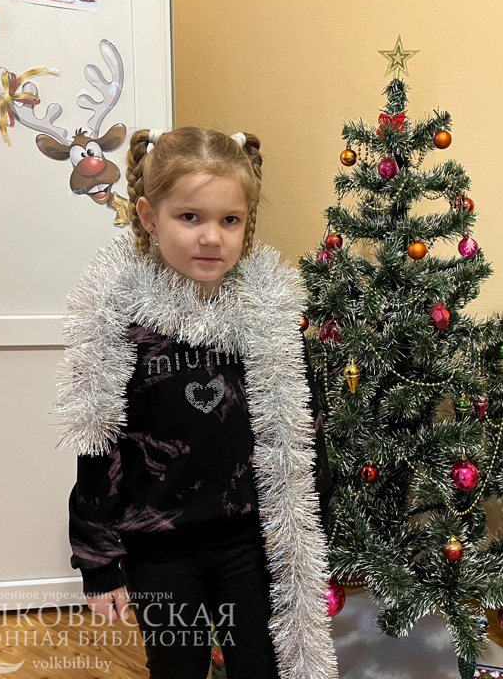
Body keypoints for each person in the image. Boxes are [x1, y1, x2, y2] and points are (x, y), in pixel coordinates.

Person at [53, 126, 338, 679]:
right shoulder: (118, 323)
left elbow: (303, 431)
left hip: (251, 542)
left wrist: (313, 529)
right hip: (160, 547)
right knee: (177, 667)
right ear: (147, 215)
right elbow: (97, 445)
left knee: (261, 666)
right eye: (190, 217)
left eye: (229, 220)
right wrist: (98, 561)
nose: (212, 237)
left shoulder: (269, 316)